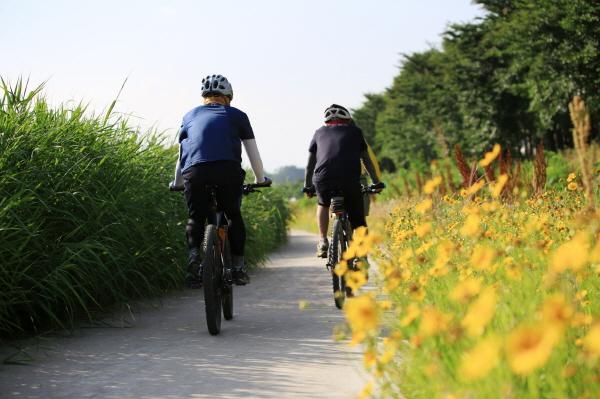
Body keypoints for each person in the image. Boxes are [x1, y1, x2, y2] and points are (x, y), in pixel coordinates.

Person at [170, 74, 271, 286]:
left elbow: (183, 155)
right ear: (228, 97)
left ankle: (194, 259)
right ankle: (238, 268)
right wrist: (260, 179)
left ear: (204, 97)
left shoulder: (189, 116)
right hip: (227, 171)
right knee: (233, 214)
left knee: (195, 217)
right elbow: (252, 152)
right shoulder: (237, 115)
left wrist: (177, 182)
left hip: (194, 172)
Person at [303, 104, 384, 257]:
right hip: (350, 180)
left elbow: (310, 164)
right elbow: (367, 160)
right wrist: (376, 182)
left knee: (323, 204)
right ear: (348, 120)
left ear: (326, 121)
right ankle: (361, 258)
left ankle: (322, 240)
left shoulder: (319, 133)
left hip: (323, 180)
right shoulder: (355, 132)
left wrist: (308, 186)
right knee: (358, 219)